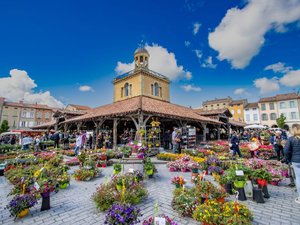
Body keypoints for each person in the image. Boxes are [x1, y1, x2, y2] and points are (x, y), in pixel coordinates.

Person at [283, 124, 300, 204]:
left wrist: (288, 160)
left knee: (298, 179)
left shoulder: (291, 139)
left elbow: (286, 151)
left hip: (296, 161)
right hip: (296, 160)